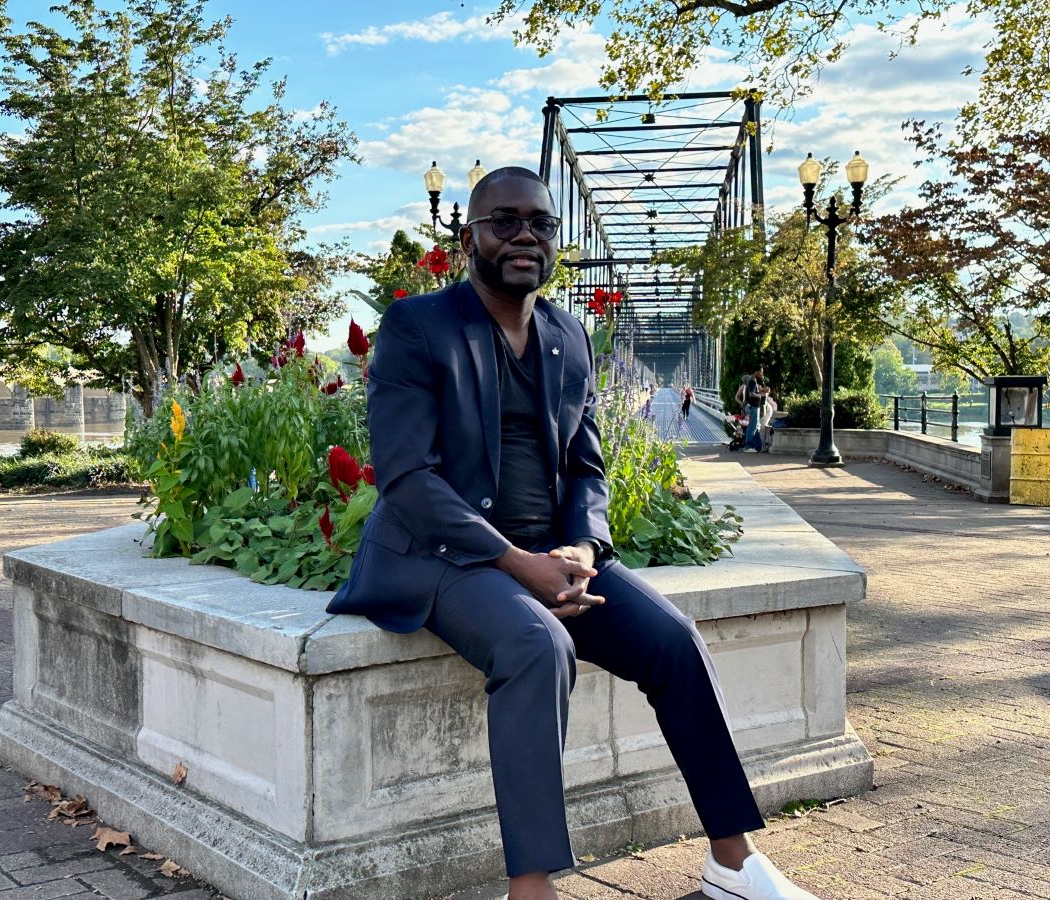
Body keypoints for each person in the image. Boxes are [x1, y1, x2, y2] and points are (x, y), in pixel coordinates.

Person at [327, 167, 821, 900]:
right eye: (504, 221)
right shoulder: (420, 327)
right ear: (470, 236)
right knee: (536, 645)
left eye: (541, 222)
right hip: (444, 557)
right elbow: (407, 481)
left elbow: (588, 470)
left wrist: (583, 549)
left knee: (674, 640)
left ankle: (732, 860)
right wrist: (518, 564)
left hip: (550, 558)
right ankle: (531, 888)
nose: (525, 234)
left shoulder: (567, 334)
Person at [743, 365, 770, 452]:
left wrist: (761, 391)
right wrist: (760, 395)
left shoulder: (753, 380)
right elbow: (751, 394)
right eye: (761, 371)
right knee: (752, 426)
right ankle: (749, 446)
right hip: (753, 405)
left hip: (755, 405)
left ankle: (758, 447)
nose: (762, 373)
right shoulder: (752, 381)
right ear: (756, 372)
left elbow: (753, 392)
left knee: (756, 425)